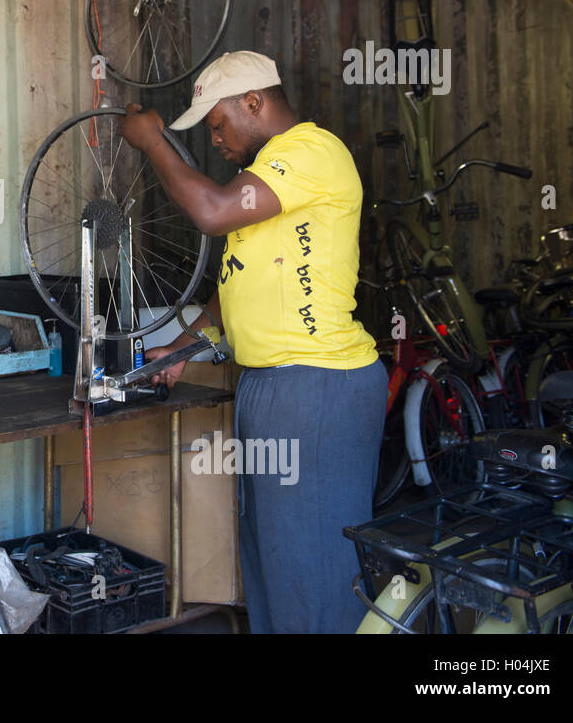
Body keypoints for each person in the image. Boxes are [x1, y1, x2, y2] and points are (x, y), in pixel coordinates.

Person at [121, 50, 386, 634]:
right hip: (274, 387)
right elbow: (239, 285)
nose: (215, 140)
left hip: (318, 388)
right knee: (272, 573)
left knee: (312, 577)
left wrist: (152, 143)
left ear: (254, 103)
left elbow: (213, 212)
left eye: (217, 124)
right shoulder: (269, 180)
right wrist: (184, 347)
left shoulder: (310, 153)